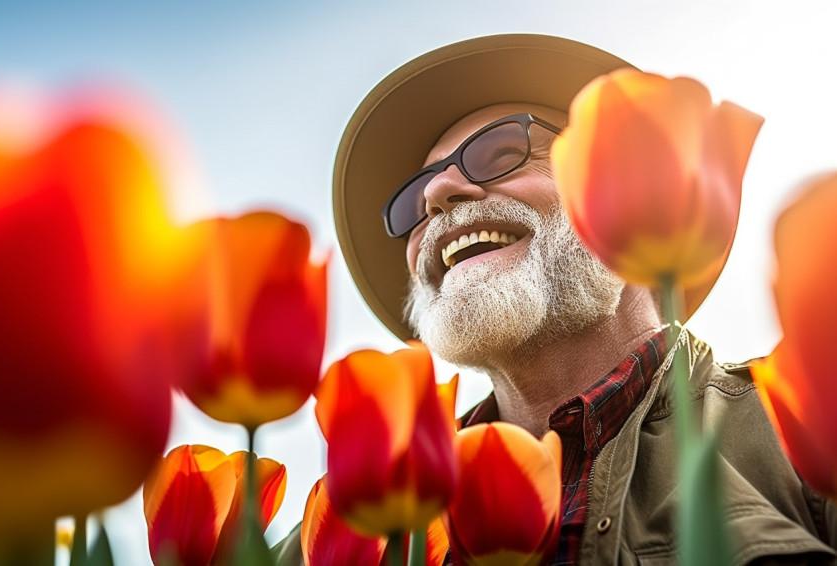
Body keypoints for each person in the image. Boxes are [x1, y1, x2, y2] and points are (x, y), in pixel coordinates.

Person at [274, 34, 837, 564]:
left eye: (500, 152)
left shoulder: (803, 429)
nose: (437, 195)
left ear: (619, 189)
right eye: (413, 200)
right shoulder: (357, 512)